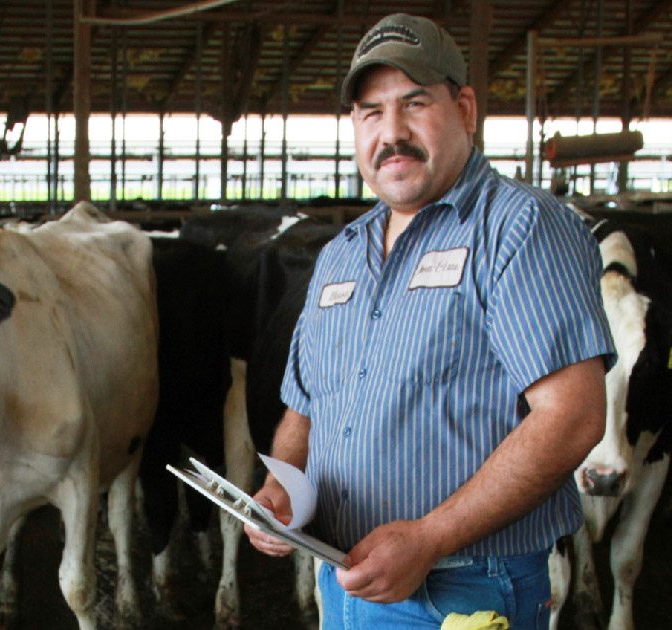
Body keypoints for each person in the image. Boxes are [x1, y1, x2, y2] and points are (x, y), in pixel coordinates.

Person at [244, 13, 616, 630]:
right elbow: (303, 411)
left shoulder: (520, 228)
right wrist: (282, 490)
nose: (391, 133)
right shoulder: (340, 255)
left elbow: (573, 417)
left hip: (464, 587)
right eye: (370, 112)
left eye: (413, 103)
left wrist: (430, 538)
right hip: (343, 580)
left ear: (465, 109)